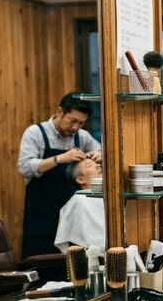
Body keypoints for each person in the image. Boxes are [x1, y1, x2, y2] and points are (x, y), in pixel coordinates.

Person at [18, 94, 102, 258]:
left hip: (72, 218)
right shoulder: (36, 133)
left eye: (81, 123)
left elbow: (101, 150)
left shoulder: (82, 136)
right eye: (73, 121)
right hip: (41, 216)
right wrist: (60, 159)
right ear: (59, 112)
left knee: (70, 269)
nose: (76, 127)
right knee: (41, 265)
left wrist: (99, 155)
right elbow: (25, 167)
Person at [54, 159, 104, 253]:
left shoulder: (111, 197)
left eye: (97, 164)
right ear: (81, 179)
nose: (98, 166)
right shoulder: (78, 201)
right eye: (89, 165)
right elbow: (78, 242)